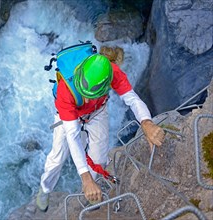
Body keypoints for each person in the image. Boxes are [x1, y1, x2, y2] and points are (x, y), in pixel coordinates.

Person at [36, 54, 165, 212]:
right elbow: (73, 135)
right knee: (56, 158)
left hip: (97, 111)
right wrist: (85, 177)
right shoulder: (66, 89)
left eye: (89, 95)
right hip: (69, 116)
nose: (85, 97)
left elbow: (132, 99)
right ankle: (45, 188)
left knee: (99, 160)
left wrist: (146, 122)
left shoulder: (112, 73)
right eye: (83, 94)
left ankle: (91, 194)